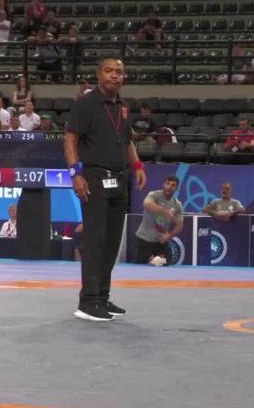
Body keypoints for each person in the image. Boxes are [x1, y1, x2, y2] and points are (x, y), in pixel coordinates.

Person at [64, 57, 148, 322]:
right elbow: (70, 139)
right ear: (99, 74)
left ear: (124, 77)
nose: (114, 75)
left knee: (112, 243)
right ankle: (88, 302)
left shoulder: (123, 107)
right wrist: (75, 173)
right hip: (94, 178)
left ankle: (101, 296)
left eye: (119, 72)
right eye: (109, 71)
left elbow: (127, 140)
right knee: (95, 241)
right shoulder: (86, 104)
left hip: (120, 179)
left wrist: (137, 165)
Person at [136, 176, 184, 264]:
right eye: (167, 184)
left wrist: (168, 236)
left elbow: (180, 226)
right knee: (141, 266)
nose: (169, 187)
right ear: (163, 184)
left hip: (161, 241)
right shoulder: (154, 195)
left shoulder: (177, 204)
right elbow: (147, 204)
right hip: (145, 239)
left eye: (173, 185)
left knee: (167, 264)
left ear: (177, 188)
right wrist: (165, 212)